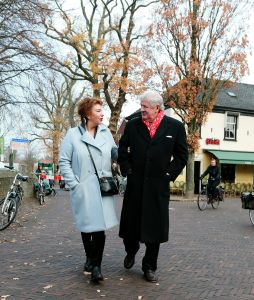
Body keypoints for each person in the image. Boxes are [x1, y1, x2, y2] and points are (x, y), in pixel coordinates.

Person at [117, 90, 188, 283]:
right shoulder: (132, 125)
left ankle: (149, 266)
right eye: (141, 106)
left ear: (157, 108)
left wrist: (168, 175)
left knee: (155, 229)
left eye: (145, 107)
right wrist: (128, 170)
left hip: (158, 187)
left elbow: (182, 156)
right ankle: (131, 251)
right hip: (135, 185)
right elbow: (122, 150)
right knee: (130, 226)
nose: (141, 110)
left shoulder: (175, 127)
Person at [59, 97, 118, 283]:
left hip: (102, 187)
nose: (103, 114)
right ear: (87, 114)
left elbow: (114, 153)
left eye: (102, 110)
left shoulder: (106, 133)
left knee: (99, 228)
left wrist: (117, 161)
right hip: (83, 187)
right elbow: (64, 161)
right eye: (99, 110)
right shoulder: (72, 134)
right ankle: (89, 257)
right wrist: (74, 183)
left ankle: (96, 266)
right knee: (86, 226)